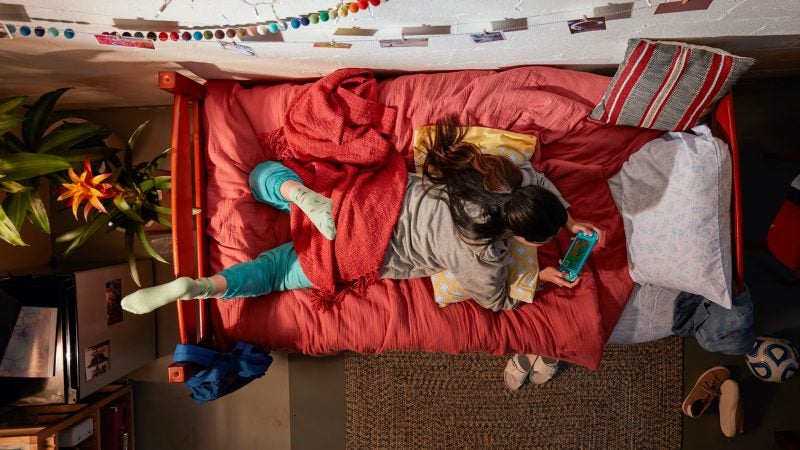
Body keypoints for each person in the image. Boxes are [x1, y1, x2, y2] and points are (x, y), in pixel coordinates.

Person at [122, 116, 599, 315]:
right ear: (521, 237)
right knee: (274, 273)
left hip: (366, 201)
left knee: (261, 176)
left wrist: (570, 218)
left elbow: (533, 177)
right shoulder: (484, 254)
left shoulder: (501, 176)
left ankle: (297, 195)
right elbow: (495, 301)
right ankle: (203, 287)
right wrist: (541, 280)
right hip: (361, 248)